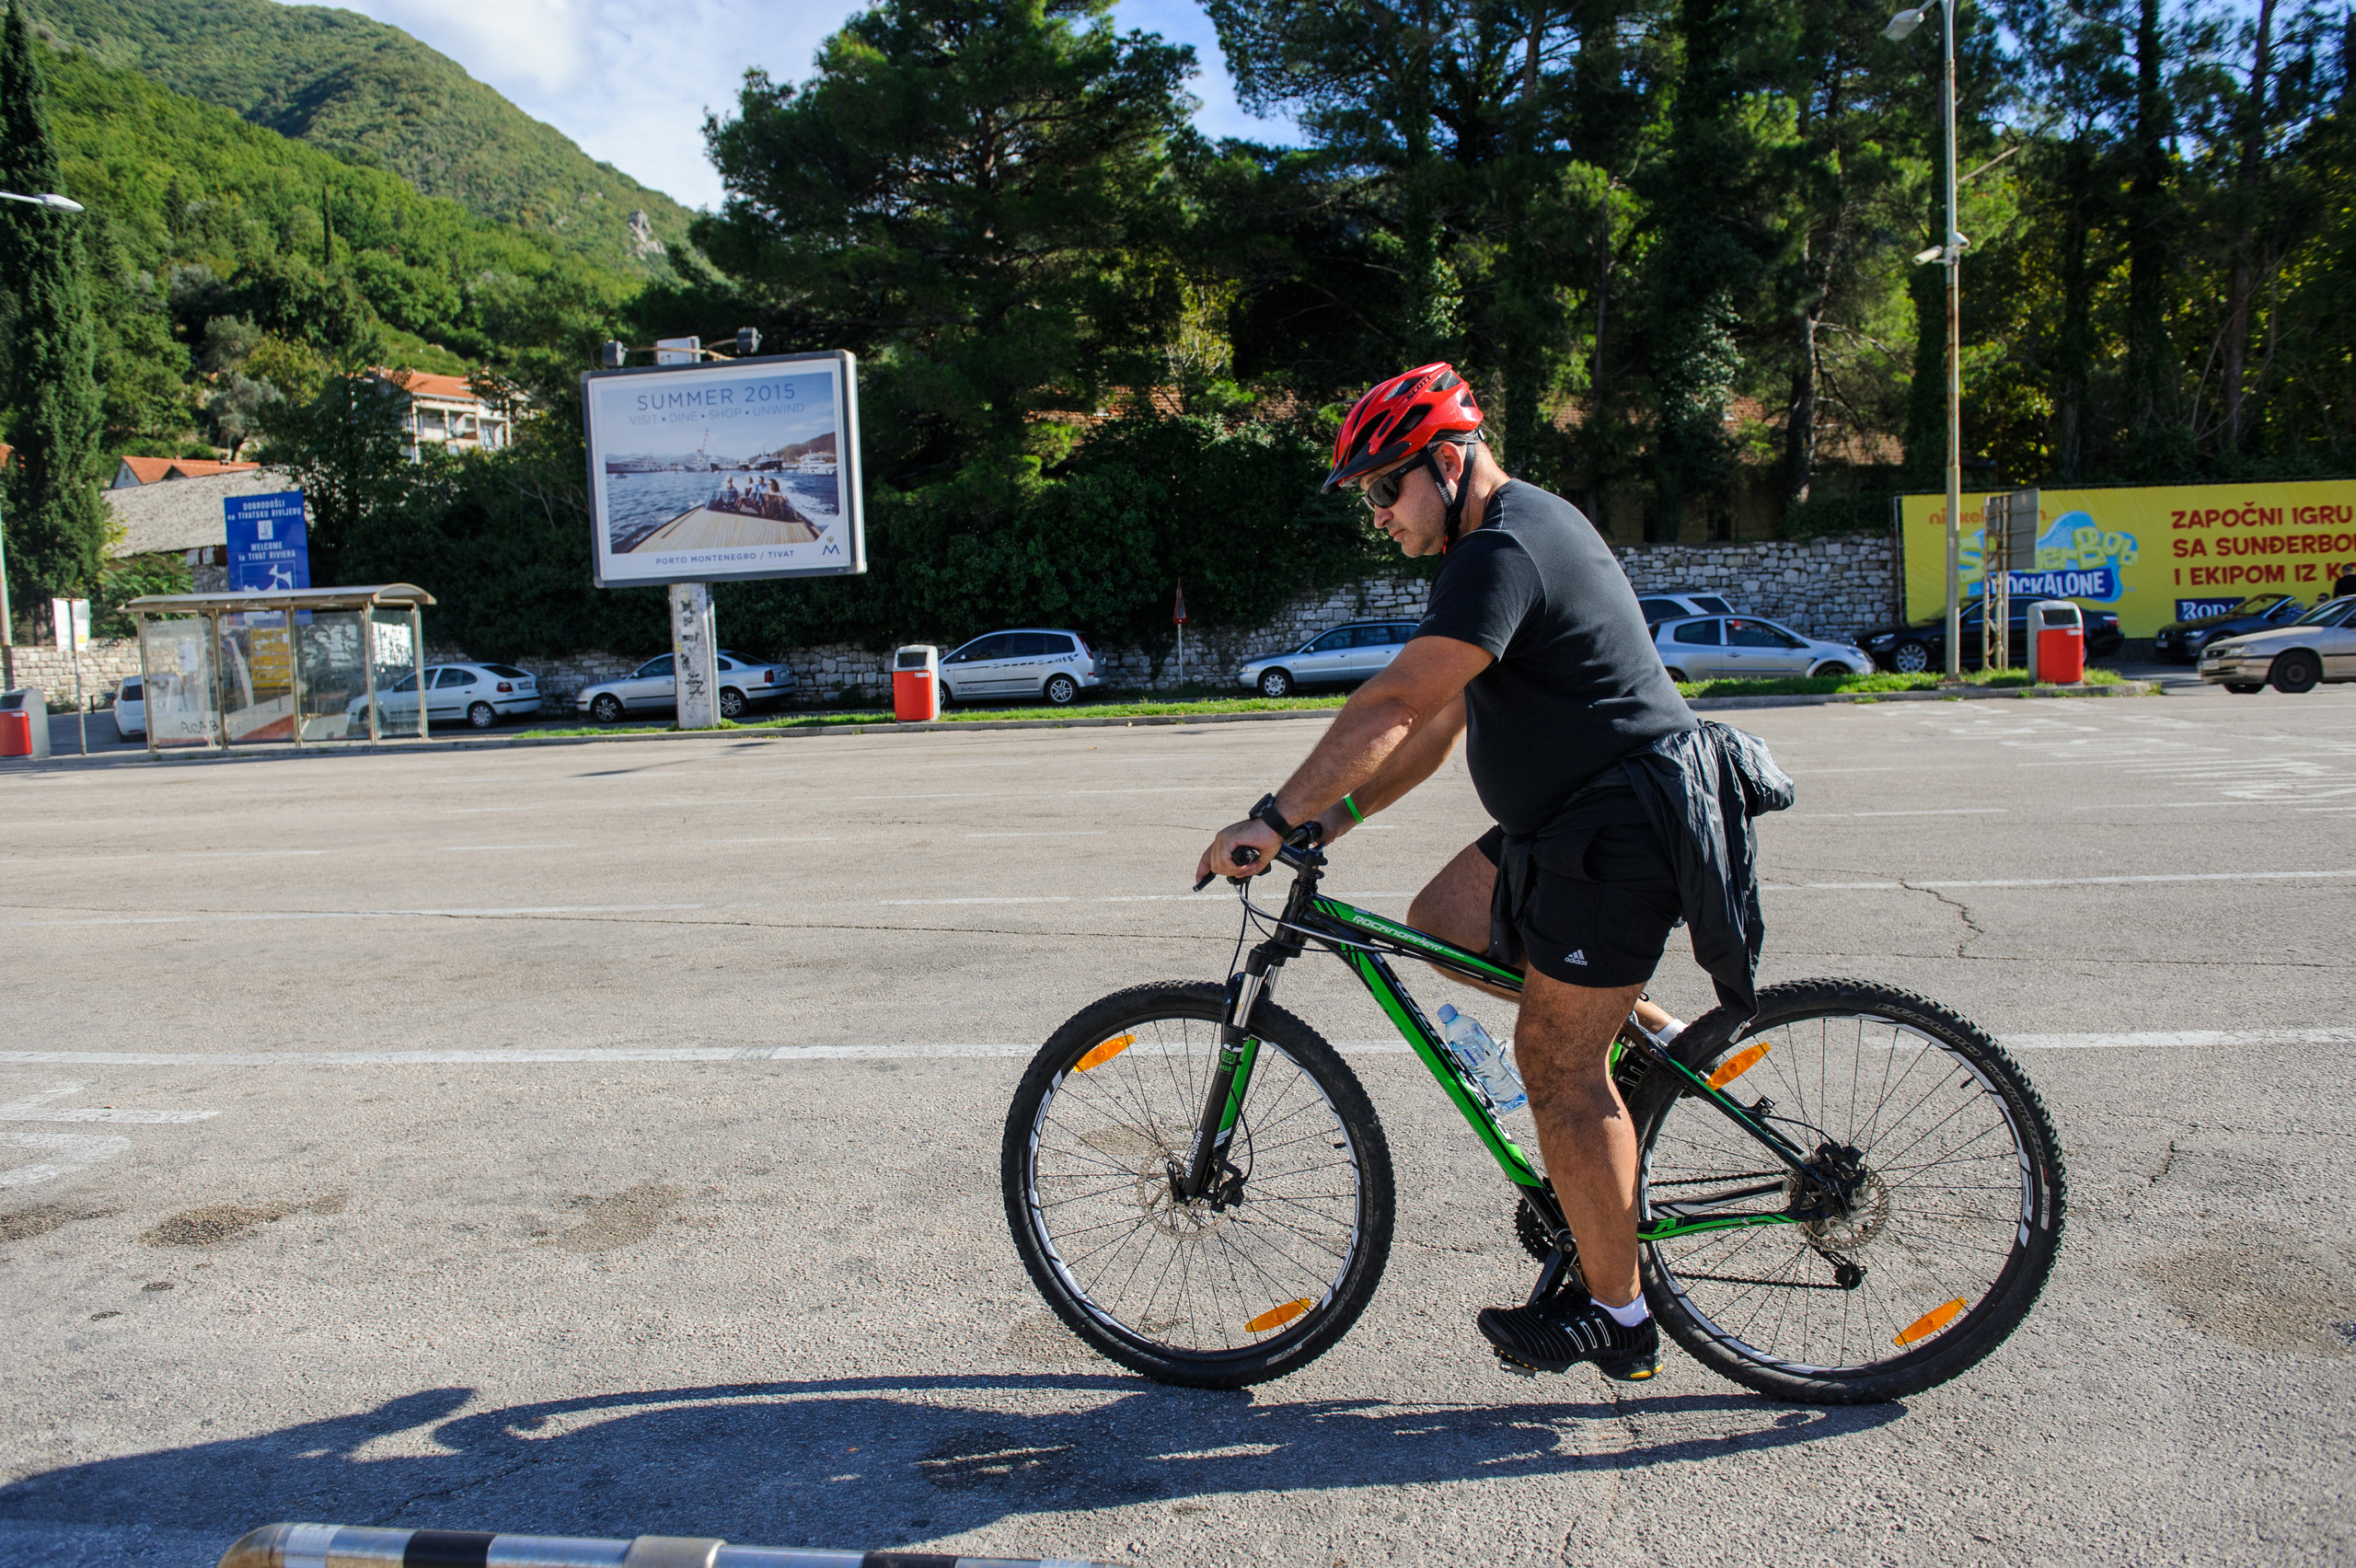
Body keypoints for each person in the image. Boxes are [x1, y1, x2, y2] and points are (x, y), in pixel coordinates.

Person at [1194, 363, 1788, 1382]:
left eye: (1386, 487)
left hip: (1618, 827)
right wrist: (1330, 818)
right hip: (1569, 824)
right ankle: (1658, 1038)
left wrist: (1270, 816)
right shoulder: (1496, 545)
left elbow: (1391, 701)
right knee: (1446, 919)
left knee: (1555, 1071)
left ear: (1448, 461)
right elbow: (1435, 720)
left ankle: (1621, 1318)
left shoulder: (1504, 545)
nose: (1376, 512)